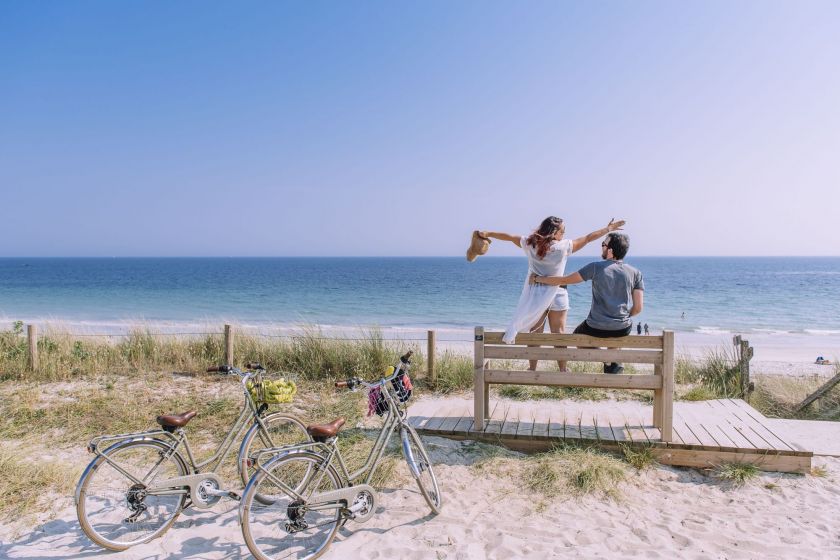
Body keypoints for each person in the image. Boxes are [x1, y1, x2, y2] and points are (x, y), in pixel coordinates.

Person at [481, 217, 625, 371]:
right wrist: (607, 229)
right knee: (559, 334)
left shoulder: (530, 244)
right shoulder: (564, 247)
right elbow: (588, 238)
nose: (564, 233)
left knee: (536, 332)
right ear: (554, 232)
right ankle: (563, 370)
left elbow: (509, 237)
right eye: (562, 230)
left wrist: (488, 233)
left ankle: (532, 369)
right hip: (558, 292)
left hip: (536, 294)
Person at [531, 232, 643, 374]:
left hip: (595, 326)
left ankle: (606, 358)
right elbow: (638, 308)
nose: (601, 247)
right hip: (622, 327)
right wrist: (623, 316)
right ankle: (612, 364)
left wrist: (539, 279)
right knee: (615, 334)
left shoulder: (595, 267)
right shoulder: (636, 272)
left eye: (603, 244)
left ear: (610, 251)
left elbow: (565, 280)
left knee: (577, 337)